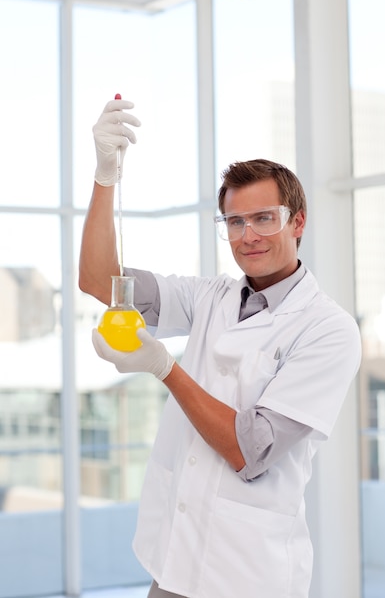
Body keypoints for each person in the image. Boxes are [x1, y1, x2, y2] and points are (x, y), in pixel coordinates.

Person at [79, 98, 362, 598]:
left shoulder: (328, 330)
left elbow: (248, 449)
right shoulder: (211, 296)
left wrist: (164, 367)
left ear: (297, 222)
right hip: (174, 557)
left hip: (247, 573)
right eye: (234, 222)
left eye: (263, 218)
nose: (248, 236)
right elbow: (100, 281)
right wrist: (105, 178)